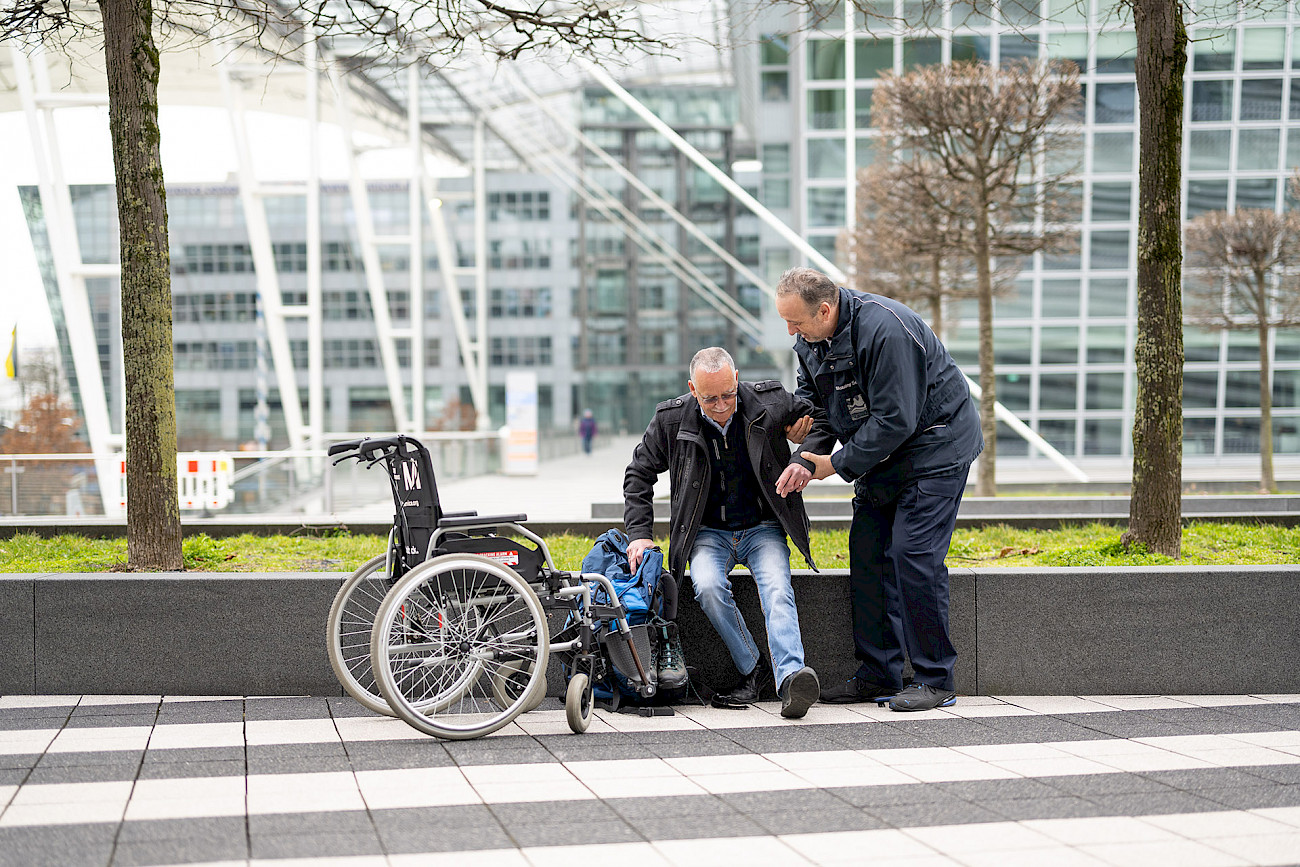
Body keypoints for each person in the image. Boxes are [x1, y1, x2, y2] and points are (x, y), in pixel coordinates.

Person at [773, 268, 983, 712]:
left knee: (912, 554)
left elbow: (896, 419)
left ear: (825, 310)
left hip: (935, 447)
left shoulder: (886, 330)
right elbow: (819, 408)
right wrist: (804, 453)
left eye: (795, 322)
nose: (790, 331)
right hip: (882, 455)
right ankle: (878, 674)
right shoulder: (811, 340)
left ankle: (935, 678)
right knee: (867, 554)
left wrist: (835, 464)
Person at [623, 347, 821, 719]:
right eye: (709, 397)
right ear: (692, 389)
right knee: (708, 586)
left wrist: (803, 455)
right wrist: (639, 534)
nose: (720, 405)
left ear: (736, 379)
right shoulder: (671, 419)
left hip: (763, 528)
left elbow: (821, 418)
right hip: (708, 533)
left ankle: (792, 679)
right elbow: (638, 474)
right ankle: (753, 669)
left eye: (727, 394)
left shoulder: (770, 401)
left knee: (778, 589)